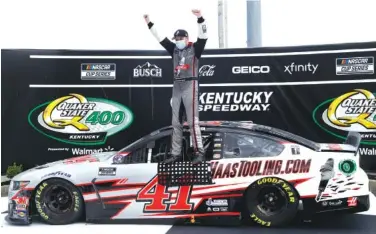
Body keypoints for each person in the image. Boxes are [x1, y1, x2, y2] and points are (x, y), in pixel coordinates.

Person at [144, 9, 208, 164]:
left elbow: (204, 35)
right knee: (175, 123)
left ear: (186, 38)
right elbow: (160, 38)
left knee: (193, 122)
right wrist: (149, 23)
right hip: (177, 86)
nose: (178, 40)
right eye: (176, 38)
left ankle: (199, 153)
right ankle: (176, 154)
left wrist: (200, 18)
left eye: (180, 38)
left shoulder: (195, 48)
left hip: (190, 84)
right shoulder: (174, 49)